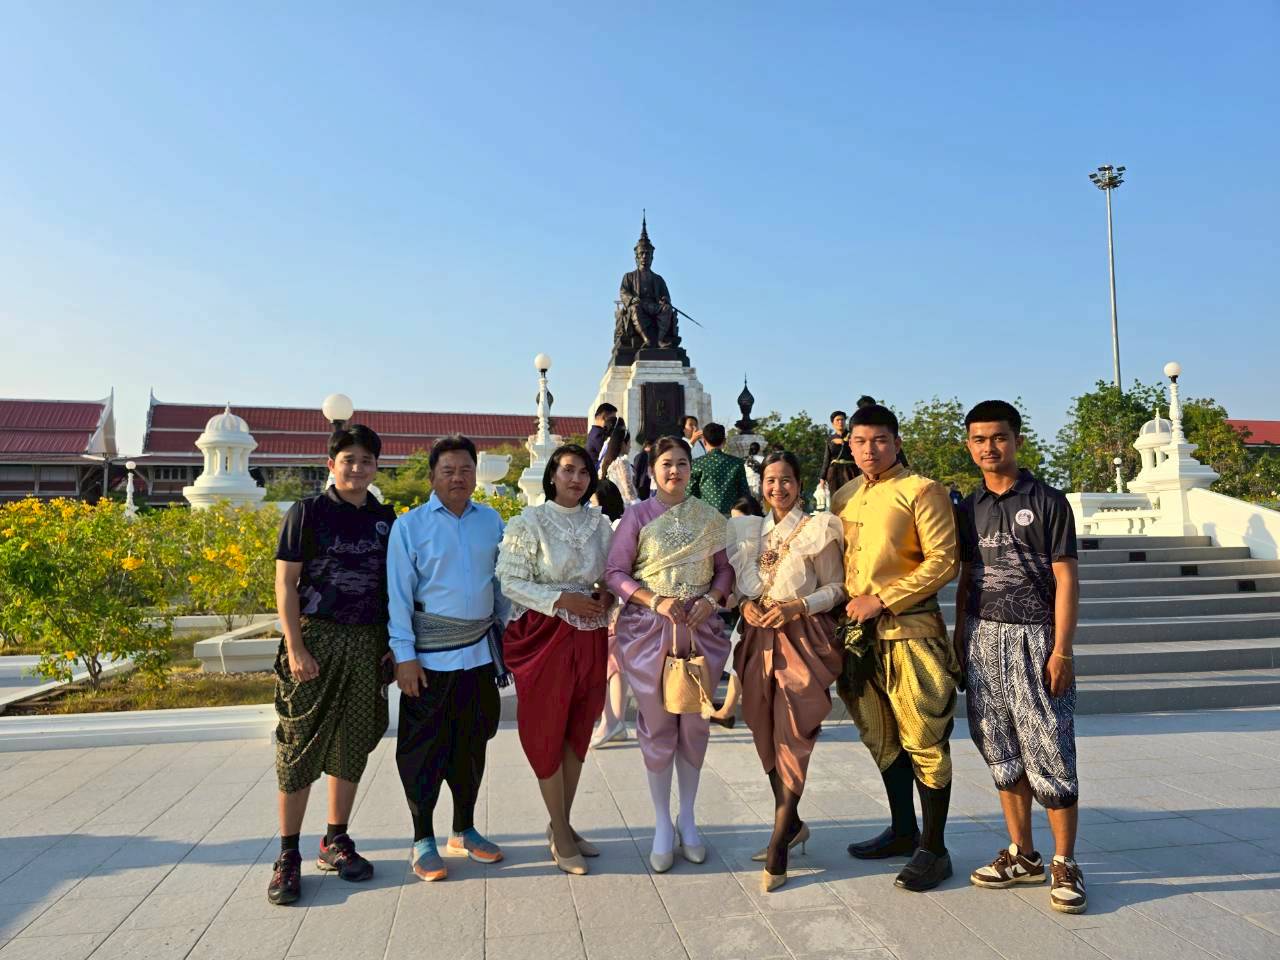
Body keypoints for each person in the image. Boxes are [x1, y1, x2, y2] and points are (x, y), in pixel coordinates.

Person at [955, 400, 1086, 914]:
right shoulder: (968, 507)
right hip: (983, 636)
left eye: (999, 437)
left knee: (1050, 745)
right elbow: (967, 578)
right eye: (979, 439)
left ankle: (1064, 861)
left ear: (1017, 440)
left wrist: (1062, 649)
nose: (989, 447)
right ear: (969, 446)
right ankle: (1022, 853)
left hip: (1037, 638)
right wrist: (960, 638)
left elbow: (1066, 578)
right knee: (1000, 746)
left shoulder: (1048, 501)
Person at [267, 425, 398, 906]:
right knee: (298, 745)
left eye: (366, 460)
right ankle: (288, 854)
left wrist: (391, 643)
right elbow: (286, 584)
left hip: (367, 642)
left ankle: (334, 840)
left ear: (376, 467)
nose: (357, 468)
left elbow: (394, 587)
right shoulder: (307, 513)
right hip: (316, 639)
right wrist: (295, 646)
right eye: (348, 459)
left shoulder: (386, 520)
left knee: (351, 741)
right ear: (331, 465)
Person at [832, 404, 960, 892]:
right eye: (861, 441)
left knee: (924, 738)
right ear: (850, 445)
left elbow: (943, 560)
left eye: (880, 440)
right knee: (880, 736)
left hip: (912, 632)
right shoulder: (844, 497)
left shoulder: (922, 491)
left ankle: (935, 848)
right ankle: (903, 829)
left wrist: (883, 599)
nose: (870, 449)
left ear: (897, 442)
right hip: (858, 639)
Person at [604, 436, 733, 873]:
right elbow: (615, 572)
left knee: (695, 725)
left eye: (682, 462)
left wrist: (711, 600)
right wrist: (653, 600)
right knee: (658, 724)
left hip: (699, 630)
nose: (674, 470)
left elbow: (725, 570)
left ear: (691, 469)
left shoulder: (710, 517)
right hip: (649, 632)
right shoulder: (637, 515)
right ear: (652, 470)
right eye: (666, 463)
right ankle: (662, 822)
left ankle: (688, 818)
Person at [387, 435, 510, 883]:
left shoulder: (491, 521)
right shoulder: (410, 527)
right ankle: (422, 838)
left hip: (478, 656)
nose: (458, 478)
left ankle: (464, 829)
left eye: (465, 470)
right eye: (448, 471)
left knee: (472, 746)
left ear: (476, 473)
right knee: (423, 752)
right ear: (432, 477)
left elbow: (501, 586)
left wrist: (504, 636)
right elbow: (399, 597)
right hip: (429, 660)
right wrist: (404, 657)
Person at [730, 453, 846, 892]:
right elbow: (739, 591)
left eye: (786, 480)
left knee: (795, 732)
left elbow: (837, 588)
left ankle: (779, 841)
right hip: (757, 638)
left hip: (803, 638)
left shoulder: (819, 528)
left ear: (799, 484)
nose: (777, 488)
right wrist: (746, 606)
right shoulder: (748, 532)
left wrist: (799, 606)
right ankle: (792, 822)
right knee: (762, 727)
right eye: (770, 480)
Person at [497, 444, 614, 876]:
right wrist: (562, 599)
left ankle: (561, 822)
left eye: (583, 471)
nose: (576, 478)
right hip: (546, 635)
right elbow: (510, 580)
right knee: (547, 726)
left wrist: (607, 595)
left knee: (579, 726)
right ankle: (561, 833)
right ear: (551, 475)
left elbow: (613, 575)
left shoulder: (600, 525)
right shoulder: (529, 522)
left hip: (590, 634)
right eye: (567, 470)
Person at [709, 494, 765, 730]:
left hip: (766, 610)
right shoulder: (739, 546)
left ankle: (728, 710)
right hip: (749, 611)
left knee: (739, 658)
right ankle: (728, 710)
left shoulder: (764, 541)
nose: (737, 527)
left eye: (741, 521)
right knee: (737, 658)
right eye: (732, 521)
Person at [687, 422, 751, 516]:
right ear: (724, 441)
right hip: (732, 516)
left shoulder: (696, 464)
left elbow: (689, 494)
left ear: (704, 441)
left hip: (706, 517)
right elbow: (744, 493)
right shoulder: (737, 463)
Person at [819, 410, 858, 495]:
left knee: (852, 495)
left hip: (850, 471)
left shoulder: (852, 436)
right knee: (836, 496)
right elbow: (827, 459)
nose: (840, 422)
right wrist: (822, 478)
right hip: (834, 473)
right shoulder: (830, 439)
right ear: (833, 423)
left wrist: (844, 443)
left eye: (842, 419)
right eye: (838, 420)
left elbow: (858, 451)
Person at [586, 403, 618, 468]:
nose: (614, 423)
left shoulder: (596, 432)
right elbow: (611, 454)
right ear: (604, 417)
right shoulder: (598, 435)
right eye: (613, 419)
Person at [633, 435, 654, 501]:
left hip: (646, 486)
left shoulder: (649, 456)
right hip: (641, 486)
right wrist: (635, 486)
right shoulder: (640, 456)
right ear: (648, 446)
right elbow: (636, 471)